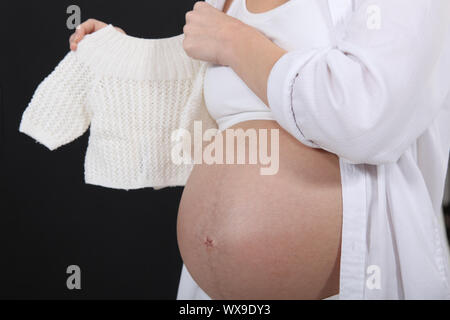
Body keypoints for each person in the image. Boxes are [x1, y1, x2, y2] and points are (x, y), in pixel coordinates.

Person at [69, 0, 450, 299]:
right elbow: (206, 101)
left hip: (349, 281)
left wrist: (232, 40)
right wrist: (127, 57)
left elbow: (368, 115)